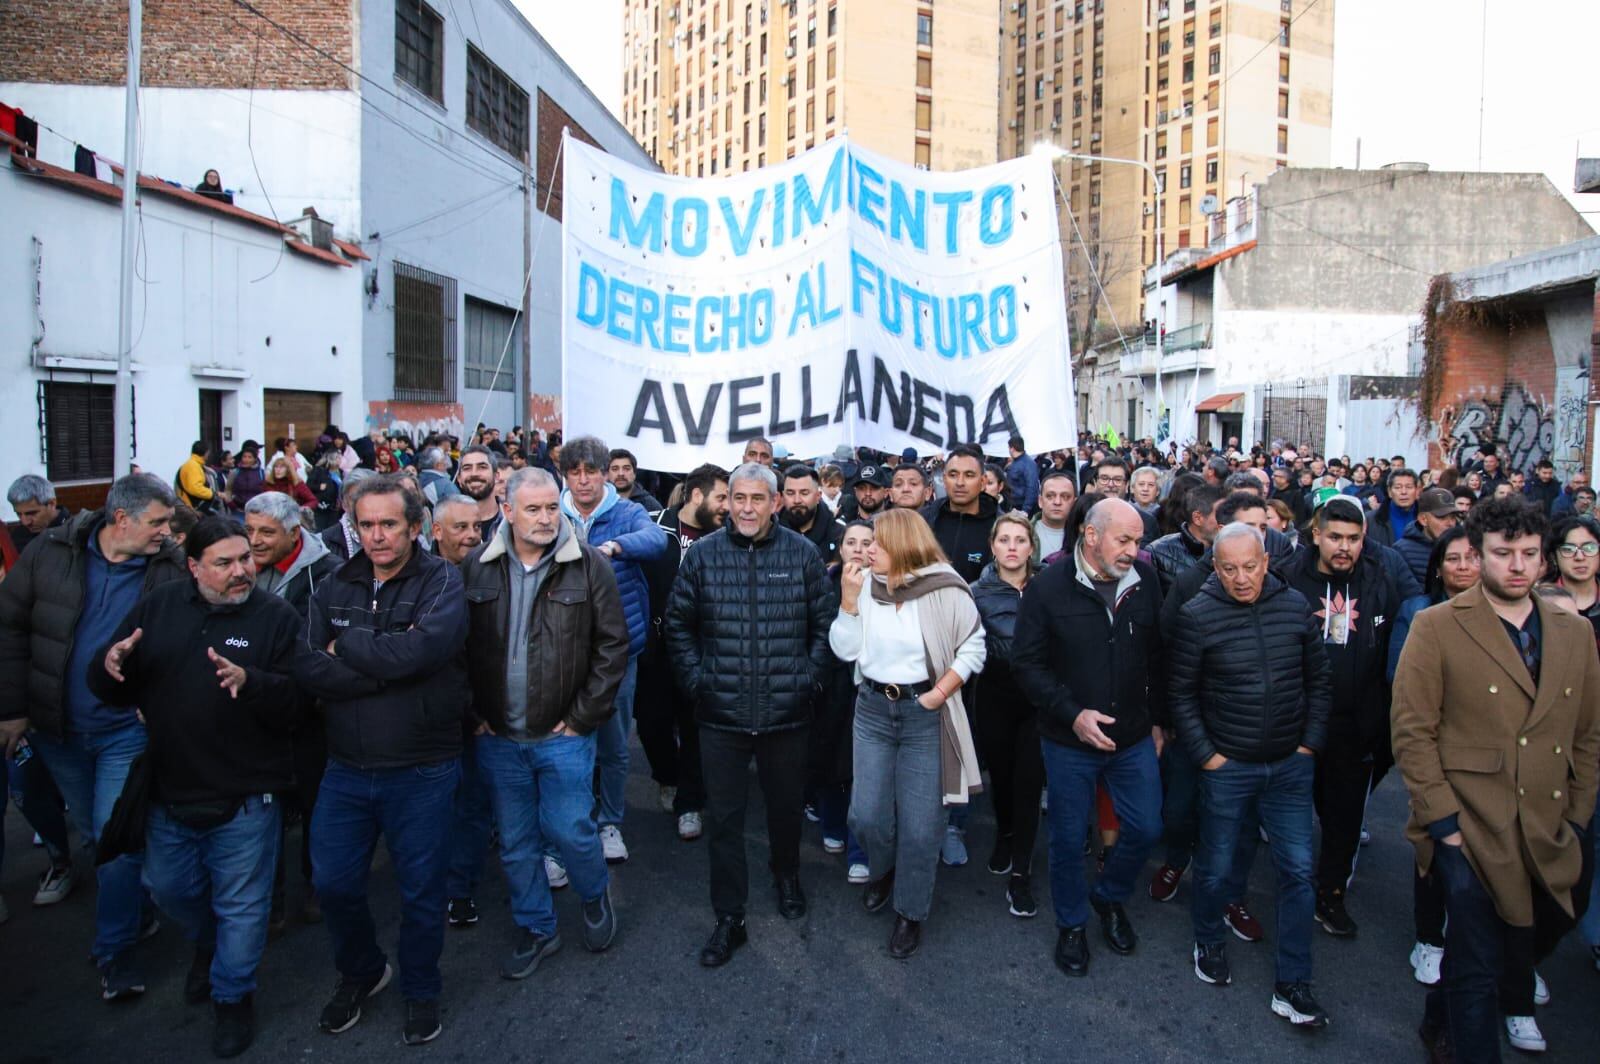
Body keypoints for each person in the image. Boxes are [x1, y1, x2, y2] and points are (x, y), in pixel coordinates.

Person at [1394, 496, 1599, 1063]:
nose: (1517, 566)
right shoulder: (1438, 626)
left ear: (1545, 559)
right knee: (1479, 967)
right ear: (1479, 555)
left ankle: (1439, 1013)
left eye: (1529, 554)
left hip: (1551, 825)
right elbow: (1413, 730)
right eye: (1503, 553)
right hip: (1471, 823)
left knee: (1534, 934)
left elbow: (1587, 734)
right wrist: (1445, 830)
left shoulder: (1572, 631)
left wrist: (1578, 819)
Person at [88, 517, 301, 1057]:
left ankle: (232, 998)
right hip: (170, 789)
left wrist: (252, 683)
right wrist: (107, 668)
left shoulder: (274, 616)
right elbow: (117, 682)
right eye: (225, 563)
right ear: (193, 567)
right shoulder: (160, 606)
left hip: (247, 794)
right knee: (170, 890)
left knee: (243, 905)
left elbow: (300, 701)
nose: (241, 572)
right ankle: (210, 945)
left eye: (246, 559)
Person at [294, 475, 470, 1046]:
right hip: (345, 768)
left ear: (414, 527)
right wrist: (386, 668)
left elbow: (421, 652)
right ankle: (364, 971)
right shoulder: (331, 585)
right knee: (335, 884)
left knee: (421, 891)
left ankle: (421, 988)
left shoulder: (443, 580)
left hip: (421, 768)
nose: (377, 536)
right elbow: (309, 666)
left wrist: (347, 649)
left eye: (388, 524)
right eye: (365, 524)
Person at [0, 474, 185, 998]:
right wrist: (11, 709)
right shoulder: (50, 553)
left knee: (115, 840)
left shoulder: (169, 566)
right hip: (56, 729)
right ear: (120, 520)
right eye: (158, 522)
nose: (167, 532)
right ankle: (137, 911)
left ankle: (115, 952)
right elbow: (8, 627)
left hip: (125, 731)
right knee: (93, 832)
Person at [460, 467, 630, 978]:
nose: (544, 519)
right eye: (532, 509)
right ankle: (537, 927)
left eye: (551, 508)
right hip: (498, 738)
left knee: (572, 830)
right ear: (506, 510)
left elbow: (612, 646)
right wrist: (474, 715)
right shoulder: (476, 568)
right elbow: (456, 650)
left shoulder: (589, 565)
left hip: (564, 737)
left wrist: (582, 718)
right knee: (515, 844)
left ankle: (595, 896)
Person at [664, 463, 833, 967]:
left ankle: (787, 876)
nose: (746, 508)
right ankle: (729, 916)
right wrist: (699, 683)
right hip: (721, 717)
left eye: (758, 499)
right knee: (725, 821)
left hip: (786, 714)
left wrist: (806, 680)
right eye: (738, 498)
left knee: (784, 812)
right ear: (727, 501)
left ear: (776, 503)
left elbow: (825, 628)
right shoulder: (703, 557)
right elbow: (677, 625)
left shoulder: (802, 555)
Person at [1170, 523, 1333, 1028]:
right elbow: (1180, 695)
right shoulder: (1196, 615)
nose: (1242, 578)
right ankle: (1209, 942)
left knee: (1299, 873)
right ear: (1214, 568)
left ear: (1267, 560)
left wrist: (1308, 746)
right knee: (1216, 867)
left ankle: (1294, 981)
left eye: (1250, 565)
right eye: (1229, 568)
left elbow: (1319, 680)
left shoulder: (1294, 607)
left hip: (1289, 767)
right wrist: (1208, 757)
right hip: (1228, 767)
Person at [1011, 499, 1165, 978]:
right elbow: (1026, 665)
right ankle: (1072, 924)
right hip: (1068, 740)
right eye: (1125, 540)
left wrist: (1159, 720)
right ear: (1092, 536)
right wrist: (1073, 715)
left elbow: (1158, 655)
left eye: (1138, 540)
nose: (1134, 550)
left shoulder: (1146, 580)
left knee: (1145, 828)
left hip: (1134, 736)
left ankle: (1109, 897)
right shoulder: (1047, 589)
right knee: (1066, 836)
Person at [829, 509, 985, 959]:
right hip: (873, 711)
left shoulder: (945, 587)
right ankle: (884, 869)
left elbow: (974, 643)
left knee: (921, 828)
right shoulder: (865, 586)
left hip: (924, 715)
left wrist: (940, 691)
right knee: (866, 816)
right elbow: (845, 650)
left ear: (902, 545)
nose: (866, 550)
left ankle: (910, 912)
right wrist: (848, 601)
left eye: (876, 543)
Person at [1280, 495, 1401, 938]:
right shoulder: (1288, 579)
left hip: (1357, 726)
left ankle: (1330, 895)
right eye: (1335, 537)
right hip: (1297, 722)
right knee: (1292, 817)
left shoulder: (1379, 581)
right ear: (1316, 535)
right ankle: (1290, 893)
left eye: (1353, 538)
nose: (1344, 547)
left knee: (1344, 818)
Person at [556, 437, 667, 866]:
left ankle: (610, 823)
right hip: (562, 650)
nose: (583, 480)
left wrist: (617, 547)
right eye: (574, 472)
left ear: (605, 473)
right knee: (567, 743)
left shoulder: (626, 511)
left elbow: (655, 541)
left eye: (591, 471)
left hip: (618, 649)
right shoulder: (554, 511)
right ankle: (574, 823)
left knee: (614, 743)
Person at [1386, 525, 1479, 989]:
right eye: (1454, 559)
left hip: (1493, 755)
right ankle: (1430, 938)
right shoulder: (1419, 612)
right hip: (1437, 747)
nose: (1464, 567)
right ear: (1438, 567)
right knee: (1436, 842)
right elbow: (1400, 679)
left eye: (1473, 557)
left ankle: (1516, 960)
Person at [639, 465, 727, 842]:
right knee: (651, 723)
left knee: (696, 727)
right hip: (655, 648)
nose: (728, 506)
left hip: (703, 649)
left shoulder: (726, 537)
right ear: (696, 496)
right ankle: (667, 777)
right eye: (721, 497)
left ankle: (690, 803)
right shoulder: (652, 525)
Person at [971, 513, 1046, 917]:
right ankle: (1005, 832)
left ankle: (1021, 872)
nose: (1012, 546)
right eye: (1005, 539)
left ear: (1032, 547)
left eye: (1020, 539)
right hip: (995, 698)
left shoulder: (1050, 586)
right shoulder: (975, 592)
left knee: (1029, 783)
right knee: (1001, 779)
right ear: (993, 545)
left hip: (1038, 702)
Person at [813, 520, 875, 883]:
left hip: (868, 684)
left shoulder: (886, 583)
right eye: (850, 541)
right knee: (828, 755)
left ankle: (860, 847)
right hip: (829, 681)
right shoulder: (825, 579)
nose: (857, 548)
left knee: (862, 769)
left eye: (865, 541)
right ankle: (832, 821)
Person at [919, 445, 999, 584]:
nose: (960, 483)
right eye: (953, 475)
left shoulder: (999, 525)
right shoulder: (923, 521)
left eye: (969, 475)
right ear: (944, 480)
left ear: (983, 482)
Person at [1147, 484, 1225, 597]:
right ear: (1197, 518)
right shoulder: (1157, 552)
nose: (1227, 520)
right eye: (1221, 514)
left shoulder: (1232, 550)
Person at [1544, 514, 1600, 645]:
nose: (1580, 557)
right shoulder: (1541, 601)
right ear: (1554, 556)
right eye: (1568, 549)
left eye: (1589, 548)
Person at [1394, 487, 1461, 588]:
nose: (1450, 523)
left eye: (1452, 517)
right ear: (1423, 519)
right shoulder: (1401, 552)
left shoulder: (1466, 547)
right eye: (1442, 517)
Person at [779, 465, 845, 564]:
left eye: (804, 493)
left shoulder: (839, 536)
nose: (797, 500)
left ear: (818, 496)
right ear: (783, 496)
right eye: (790, 493)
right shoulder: (770, 533)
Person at [1091, 457, 1160, 543]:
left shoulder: (1147, 522)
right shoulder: (1083, 514)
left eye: (1118, 479)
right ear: (1095, 483)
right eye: (1104, 478)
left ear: (1127, 485)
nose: (1111, 484)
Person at [6, 474, 69, 557]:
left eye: (31, 513)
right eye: (18, 514)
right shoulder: (18, 535)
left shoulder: (76, 533)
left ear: (52, 503)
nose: (25, 522)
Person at [455, 445, 502, 541]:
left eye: (482, 467)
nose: (474, 473)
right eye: (467, 468)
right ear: (459, 479)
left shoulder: (513, 519)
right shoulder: (449, 522)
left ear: (496, 476)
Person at [1032, 470, 1075, 564]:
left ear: (1074, 503)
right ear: (1040, 501)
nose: (1057, 502)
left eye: (1065, 497)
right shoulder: (1024, 532)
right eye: (1050, 496)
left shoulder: (1083, 537)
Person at [431, 495, 484, 565]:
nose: (472, 534)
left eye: (477, 526)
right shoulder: (423, 573)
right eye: (462, 527)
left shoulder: (494, 570)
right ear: (438, 531)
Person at [1004, 435, 1040, 515]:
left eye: (1009, 448)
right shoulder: (1015, 463)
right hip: (1014, 506)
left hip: (1023, 508)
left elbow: (1032, 487)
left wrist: (1025, 510)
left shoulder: (1029, 464)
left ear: (1012, 449)